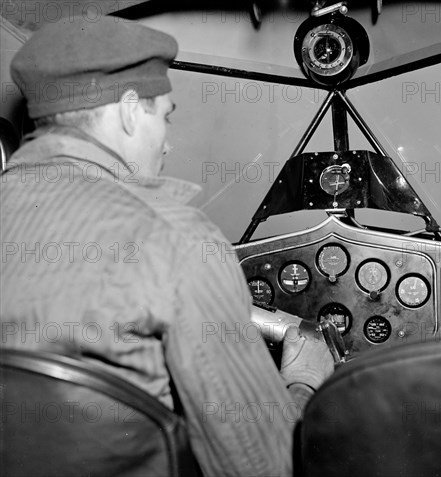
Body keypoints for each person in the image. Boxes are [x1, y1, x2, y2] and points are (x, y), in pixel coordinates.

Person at [0, 14, 334, 476]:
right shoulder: (173, 236)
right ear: (129, 112)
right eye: (165, 117)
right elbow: (263, 465)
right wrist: (305, 382)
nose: (168, 145)